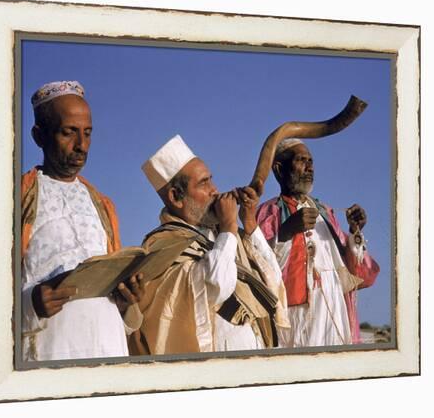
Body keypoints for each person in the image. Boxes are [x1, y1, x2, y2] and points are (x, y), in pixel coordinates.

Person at [131, 135, 289, 355]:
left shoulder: (223, 236)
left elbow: (273, 279)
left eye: (211, 180)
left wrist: (249, 222)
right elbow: (216, 286)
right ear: (176, 197)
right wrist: (228, 227)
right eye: (204, 183)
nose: (215, 190)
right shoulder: (162, 247)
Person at [21, 80, 144, 361]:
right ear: (39, 136)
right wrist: (30, 304)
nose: (81, 145)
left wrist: (127, 301)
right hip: (52, 349)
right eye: (69, 133)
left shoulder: (103, 204)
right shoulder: (15, 198)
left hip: (108, 344)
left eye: (87, 134)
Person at [256, 138, 380, 347]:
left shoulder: (326, 213)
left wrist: (354, 231)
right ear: (279, 169)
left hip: (335, 307)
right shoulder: (268, 213)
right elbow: (259, 269)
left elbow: (355, 273)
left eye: (311, 161)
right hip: (297, 315)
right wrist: (286, 232)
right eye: (301, 160)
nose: (309, 167)